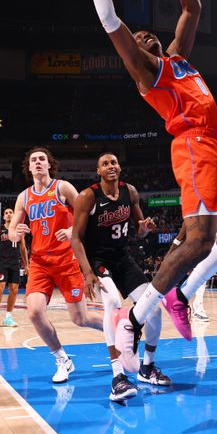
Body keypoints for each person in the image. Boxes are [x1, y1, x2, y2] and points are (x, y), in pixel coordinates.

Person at [88, 0, 217, 373]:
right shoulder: (147, 73)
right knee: (198, 240)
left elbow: (192, 10)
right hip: (194, 145)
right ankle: (136, 318)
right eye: (137, 39)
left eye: (147, 34)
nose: (143, 36)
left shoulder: (178, 60)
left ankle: (181, 294)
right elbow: (108, 19)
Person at [70, 153, 170, 402]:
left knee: (154, 310)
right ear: (98, 171)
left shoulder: (130, 192)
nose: (110, 166)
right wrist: (87, 272)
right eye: (105, 163)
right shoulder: (88, 196)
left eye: (114, 162)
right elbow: (75, 238)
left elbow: (138, 229)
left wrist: (144, 228)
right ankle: (118, 377)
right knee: (113, 303)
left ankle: (147, 367)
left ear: (120, 168)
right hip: (98, 261)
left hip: (123, 258)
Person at [8, 147, 104, 382]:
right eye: (34, 160)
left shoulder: (63, 187)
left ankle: (120, 327)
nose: (38, 162)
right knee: (34, 312)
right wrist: (15, 232)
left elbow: (89, 216)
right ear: (29, 167)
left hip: (66, 260)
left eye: (42, 159)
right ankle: (62, 359)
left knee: (80, 319)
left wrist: (72, 230)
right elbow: (11, 231)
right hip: (40, 262)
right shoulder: (24, 197)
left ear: (49, 164)